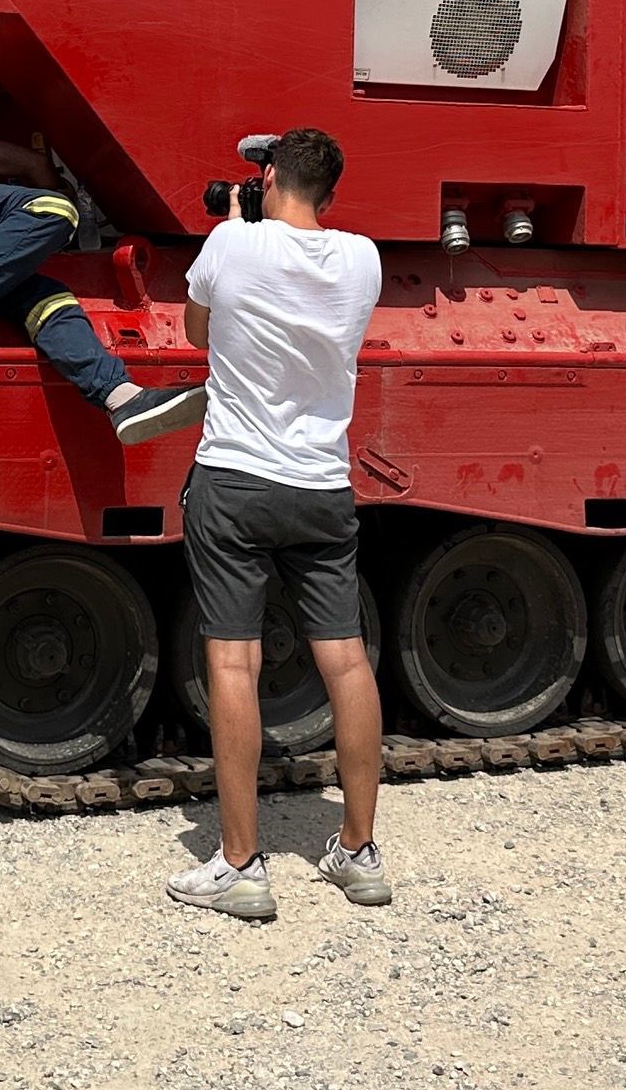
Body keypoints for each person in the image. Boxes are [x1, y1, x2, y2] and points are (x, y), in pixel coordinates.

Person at [164, 128, 387, 921]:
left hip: (237, 479)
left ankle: (240, 866)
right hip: (323, 484)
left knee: (234, 663)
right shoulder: (364, 258)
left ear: (265, 178)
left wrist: (235, 224)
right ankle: (359, 854)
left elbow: (196, 333)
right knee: (347, 662)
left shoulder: (232, 244)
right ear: (331, 189)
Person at [0, 138, 204, 446]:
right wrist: (49, 179)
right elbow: (5, 156)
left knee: (46, 299)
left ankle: (121, 396)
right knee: (54, 208)